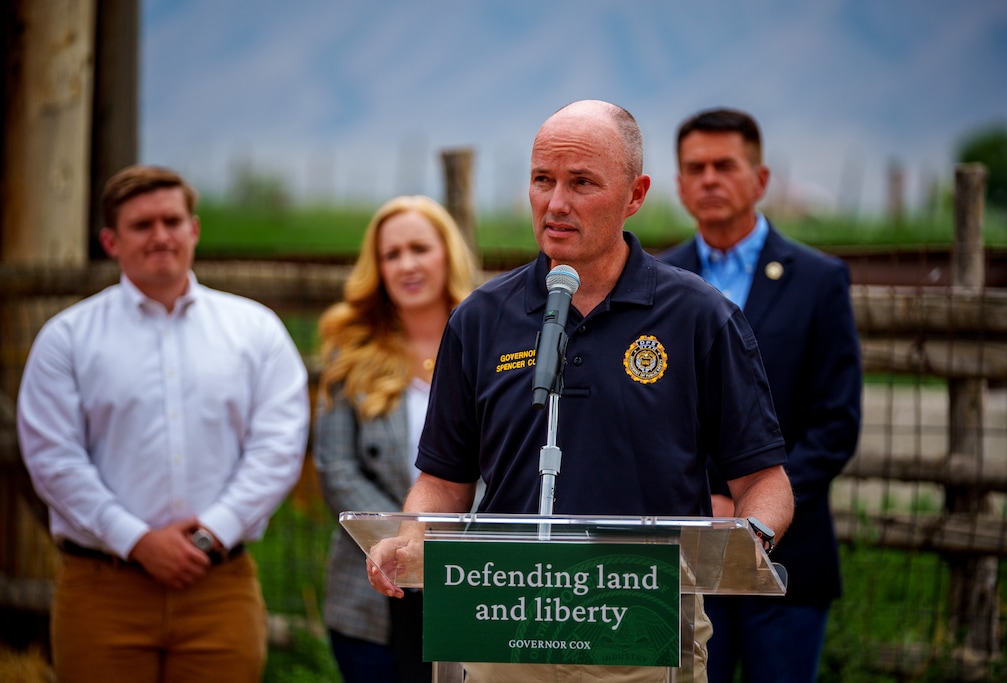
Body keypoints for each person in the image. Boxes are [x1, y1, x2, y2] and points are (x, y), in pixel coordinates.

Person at [366, 99, 795, 683]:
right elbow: (443, 480)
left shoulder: (698, 316)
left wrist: (752, 540)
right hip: (504, 625)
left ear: (635, 195)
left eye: (582, 182)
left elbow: (763, 481)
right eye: (542, 180)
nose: (556, 203)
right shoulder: (481, 319)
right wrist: (411, 535)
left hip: (642, 634)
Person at [16, 165, 310, 682]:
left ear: (193, 230)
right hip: (102, 588)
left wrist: (210, 535)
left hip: (218, 586)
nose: (160, 236)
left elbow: (279, 448)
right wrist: (136, 540)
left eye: (172, 221)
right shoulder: (67, 339)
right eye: (141, 225)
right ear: (110, 241)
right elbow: (53, 458)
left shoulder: (255, 331)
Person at [659, 108, 862, 683]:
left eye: (725, 165)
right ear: (678, 184)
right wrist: (704, 504)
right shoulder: (653, 282)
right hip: (685, 555)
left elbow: (836, 423)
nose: (709, 179)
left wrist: (755, 506)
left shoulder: (819, 280)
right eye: (695, 168)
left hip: (788, 558)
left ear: (761, 179)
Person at [313, 195, 478, 683]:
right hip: (371, 593)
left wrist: (449, 551)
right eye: (392, 254)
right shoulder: (351, 353)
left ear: (448, 254)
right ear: (377, 268)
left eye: (419, 249)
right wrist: (404, 547)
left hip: (475, 580)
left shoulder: (493, 344)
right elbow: (337, 469)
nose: (407, 264)